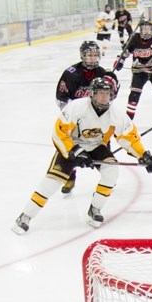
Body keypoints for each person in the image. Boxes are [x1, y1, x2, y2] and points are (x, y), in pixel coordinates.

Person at [12, 77, 152, 235]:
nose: (104, 97)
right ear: (92, 94)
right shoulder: (77, 107)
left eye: (107, 93)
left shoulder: (117, 115)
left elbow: (129, 138)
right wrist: (75, 151)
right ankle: (26, 216)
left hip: (96, 146)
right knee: (52, 182)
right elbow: (59, 133)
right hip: (72, 144)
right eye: (100, 93)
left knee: (111, 172)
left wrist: (144, 156)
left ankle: (95, 208)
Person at [56, 41, 120, 196]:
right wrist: (73, 114)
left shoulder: (102, 73)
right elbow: (61, 98)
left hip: (97, 118)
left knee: (103, 144)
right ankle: (69, 177)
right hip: (75, 121)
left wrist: (113, 81)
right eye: (89, 55)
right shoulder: (71, 73)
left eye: (95, 55)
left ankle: (108, 174)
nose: (92, 58)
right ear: (82, 56)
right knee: (70, 148)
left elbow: (110, 97)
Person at [112, 20, 152, 120]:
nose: (147, 31)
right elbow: (125, 52)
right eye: (144, 29)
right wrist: (120, 61)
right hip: (138, 72)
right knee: (134, 96)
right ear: (140, 29)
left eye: (148, 29)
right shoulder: (134, 39)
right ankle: (128, 119)